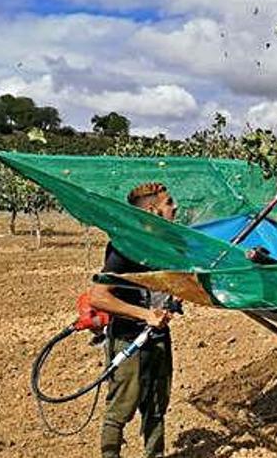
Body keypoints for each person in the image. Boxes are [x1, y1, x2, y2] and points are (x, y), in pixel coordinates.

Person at [90, 182, 177, 458]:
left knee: (156, 409)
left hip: (159, 340)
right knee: (121, 410)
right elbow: (99, 297)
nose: (175, 208)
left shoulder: (166, 246)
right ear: (152, 210)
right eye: (169, 203)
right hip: (129, 341)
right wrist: (145, 315)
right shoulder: (125, 248)